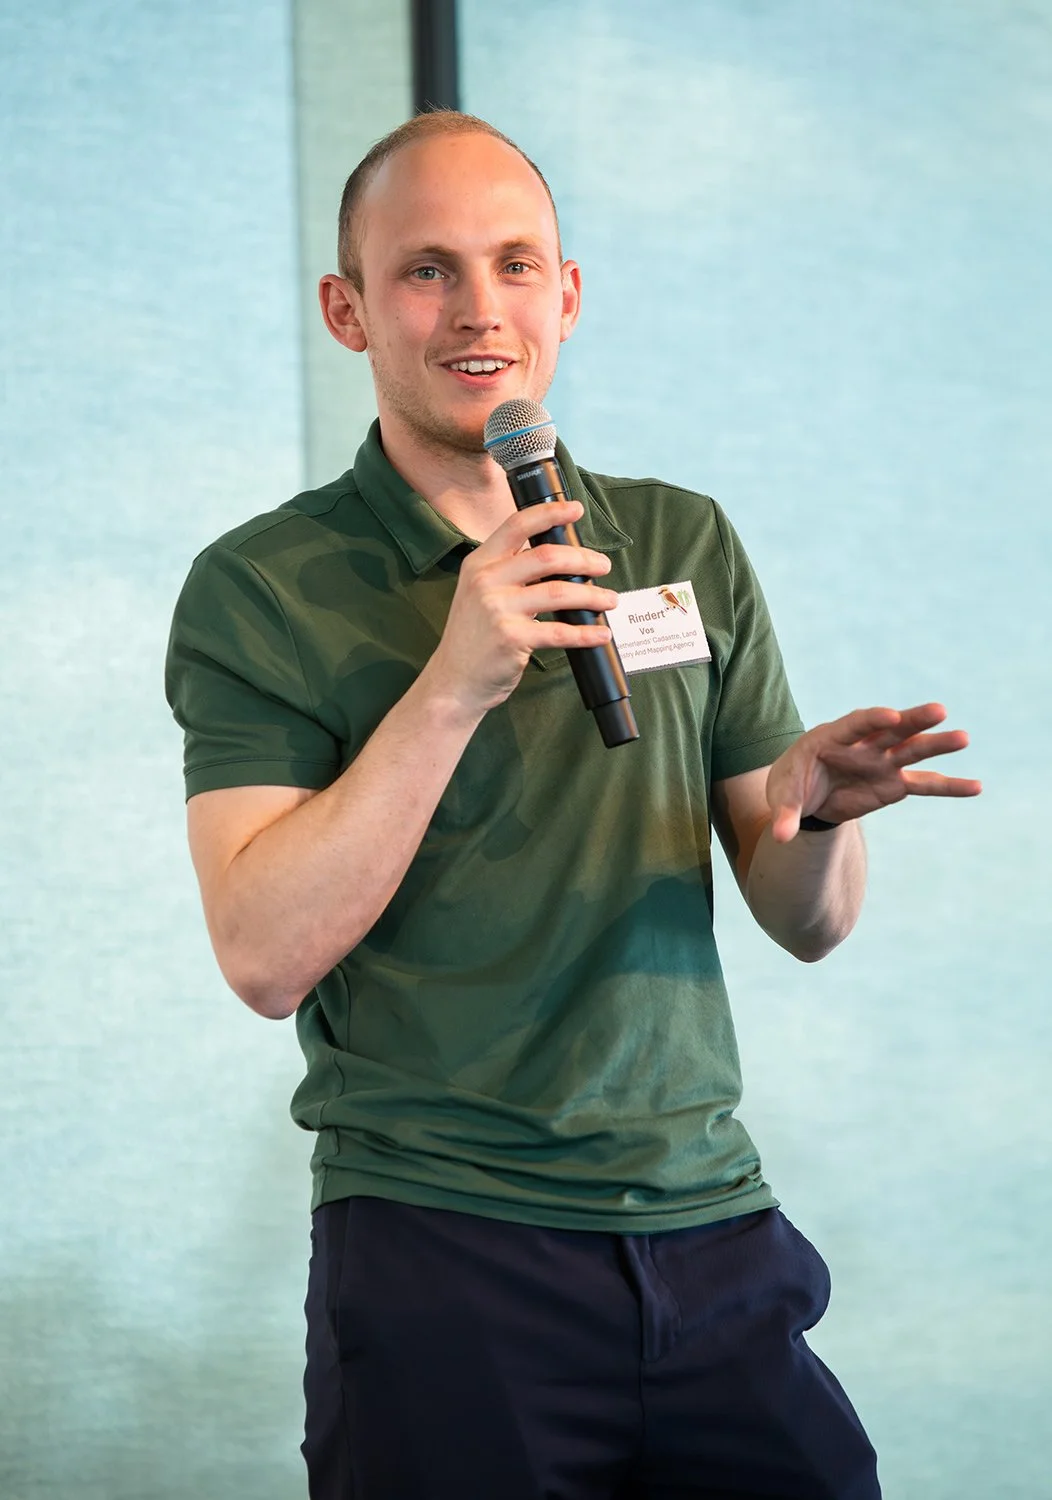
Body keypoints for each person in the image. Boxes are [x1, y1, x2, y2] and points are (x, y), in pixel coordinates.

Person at [165, 111, 981, 1499]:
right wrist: (453, 681)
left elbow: (809, 922)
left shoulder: (681, 541)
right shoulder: (262, 585)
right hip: (444, 1253)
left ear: (570, 294)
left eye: (514, 265)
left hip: (717, 1235)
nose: (480, 310)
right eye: (427, 271)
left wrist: (816, 814)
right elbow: (261, 951)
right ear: (346, 310)